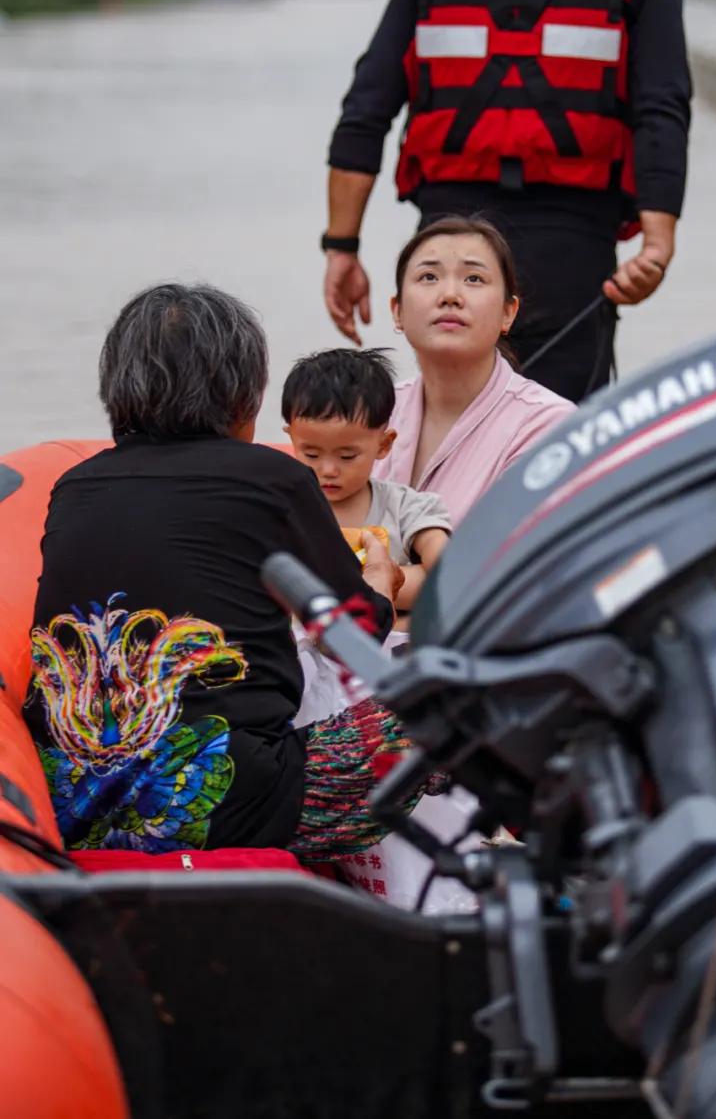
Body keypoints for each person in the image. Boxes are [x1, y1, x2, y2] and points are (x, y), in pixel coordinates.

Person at [24, 283, 439, 863]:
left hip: (68, 807)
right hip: (239, 803)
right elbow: (355, 636)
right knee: (455, 695)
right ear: (245, 397)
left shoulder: (74, 487)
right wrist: (381, 578)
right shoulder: (273, 479)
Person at [322, 0, 693, 402]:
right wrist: (657, 242)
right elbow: (663, 110)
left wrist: (342, 247)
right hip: (572, 249)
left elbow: (366, 110)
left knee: (452, 418)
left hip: (445, 247)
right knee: (556, 434)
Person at [372, 215, 574, 527]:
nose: (450, 295)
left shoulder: (549, 425)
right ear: (397, 311)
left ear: (509, 313)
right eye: (428, 277)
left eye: (474, 279)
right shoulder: (375, 408)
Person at [282, 347, 451, 615]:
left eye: (347, 456)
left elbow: (448, 571)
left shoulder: (404, 507)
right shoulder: (282, 507)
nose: (328, 470)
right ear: (291, 438)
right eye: (311, 454)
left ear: (384, 444)